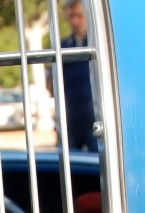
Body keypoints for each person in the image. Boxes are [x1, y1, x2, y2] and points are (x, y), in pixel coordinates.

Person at [47, 0, 97, 152]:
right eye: (71, 16)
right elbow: (51, 85)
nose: (75, 21)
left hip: (96, 120)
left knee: (99, 163)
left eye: (79, 16)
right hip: (69, 121)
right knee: (69, 163)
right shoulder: (63, 47)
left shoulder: (97, 45)